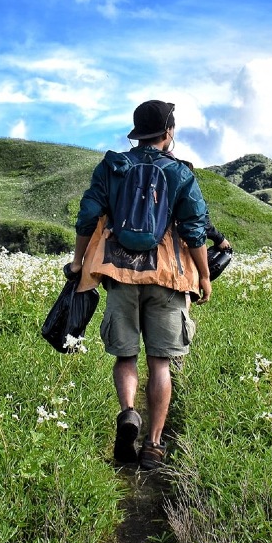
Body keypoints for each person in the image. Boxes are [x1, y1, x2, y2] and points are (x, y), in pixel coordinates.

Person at [69, 100, 212, 470]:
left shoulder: (113, 166)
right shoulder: (180, 173)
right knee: (161, 361)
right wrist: (205, 275)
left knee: (126, 355)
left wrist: (79, 260)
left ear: (137, 133)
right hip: (167, 274)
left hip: (118, 271)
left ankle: (129, 412)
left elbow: (88, 215)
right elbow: (194, 228)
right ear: (168, 133)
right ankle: (153, 444)